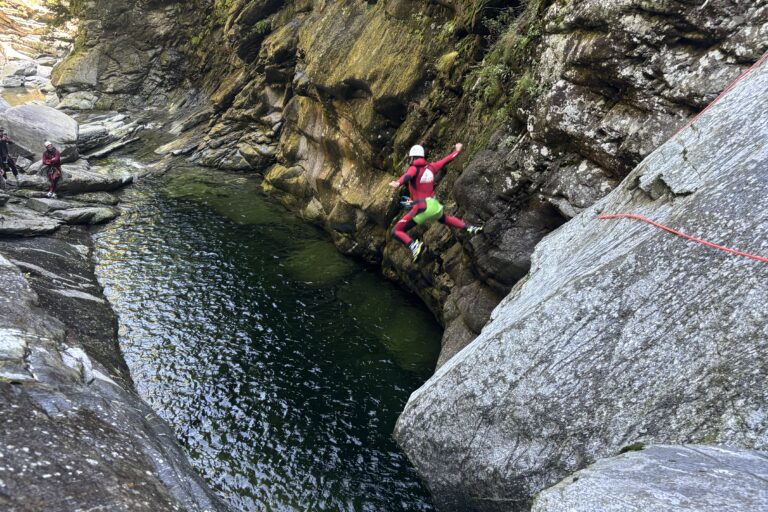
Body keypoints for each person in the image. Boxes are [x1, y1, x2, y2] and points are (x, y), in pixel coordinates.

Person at [389, 143, 482, 261]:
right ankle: (469, 228)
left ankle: (413, 245)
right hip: (434, 206)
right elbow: (446, 160)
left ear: (413, 158)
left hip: (422, 207)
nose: (409, 160)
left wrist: (398, 182)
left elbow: (407, 176)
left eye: (410, 158)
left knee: (396, 230)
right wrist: (457, 151)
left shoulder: (413, 168)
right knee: (445, 219)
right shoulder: (432, 167)